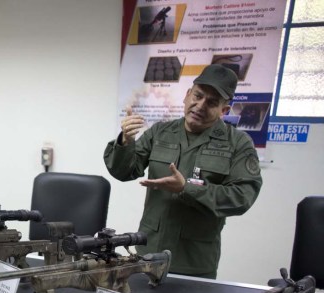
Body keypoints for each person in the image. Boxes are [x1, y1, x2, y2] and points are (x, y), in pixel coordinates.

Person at [103, 64, 262, 279]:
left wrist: (187, 188)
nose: (200, 105)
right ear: (187, 95)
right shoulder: (160, 132)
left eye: (212, 102)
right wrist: (125, 141)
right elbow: (124, 172)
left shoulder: (238, 144)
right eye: (198, 95)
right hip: (149, 251)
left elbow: (242, 197)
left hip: (194, 261)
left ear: (224, 110)